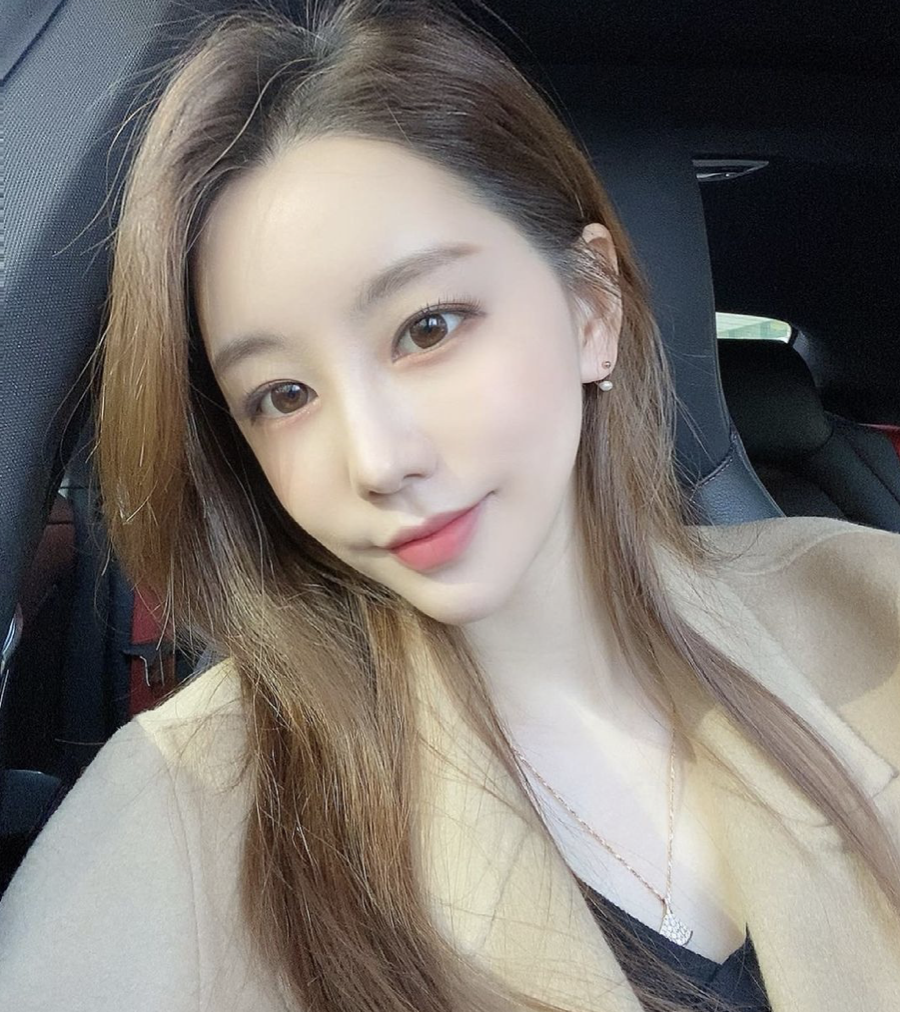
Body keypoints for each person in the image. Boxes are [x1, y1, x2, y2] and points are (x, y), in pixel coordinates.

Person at [1, 1, 900, 1009]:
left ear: (590, 308)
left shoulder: (870, 610)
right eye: (284, 396)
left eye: (427, 328)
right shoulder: (180, 819)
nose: (379, 459)